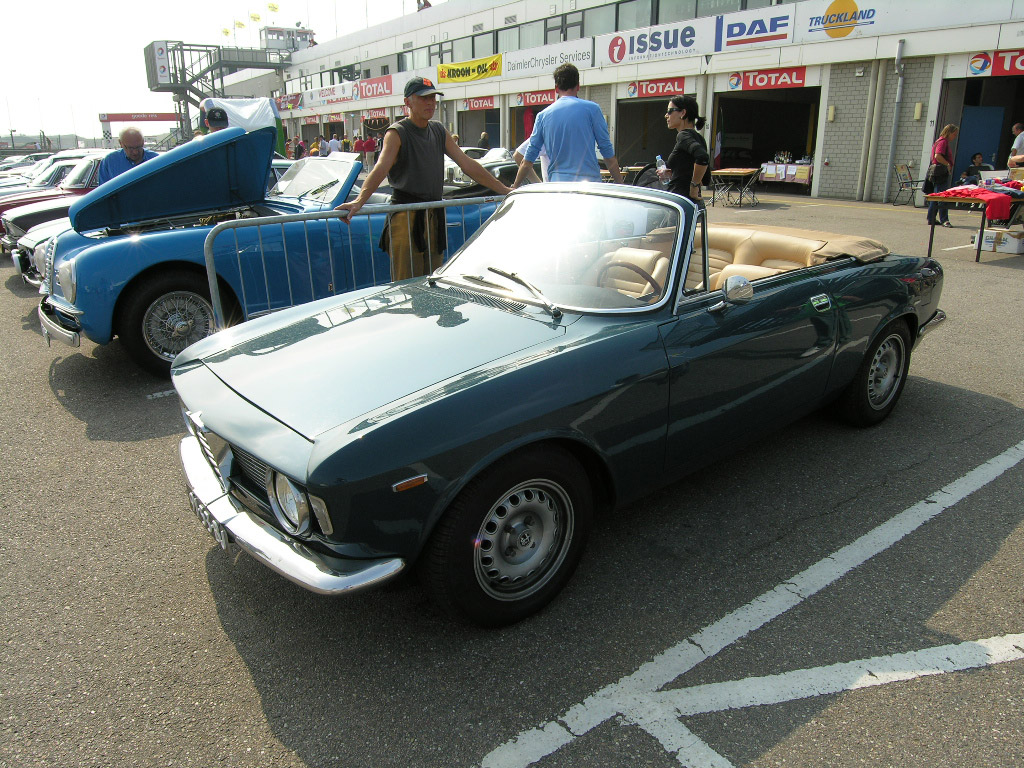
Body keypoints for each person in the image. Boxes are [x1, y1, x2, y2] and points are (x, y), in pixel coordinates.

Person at [335, 76, 511, 281]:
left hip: (433, 216)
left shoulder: (438, 130)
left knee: (432, 281)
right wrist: (359, 201)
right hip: (406, 217)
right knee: (407, 283)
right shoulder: (397, 132)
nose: (430, 103)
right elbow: (381, 168)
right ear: (408, 102)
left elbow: (467, 164)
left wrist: (504, 189)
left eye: (433, 98)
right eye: (424, 98)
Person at [513, 63, 623, 187]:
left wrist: (514, 186)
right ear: (578, 86)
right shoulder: (593, 110)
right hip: (590, 187)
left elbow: (527, 161)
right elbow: (608, 154)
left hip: (559, 188)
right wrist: (621, 185)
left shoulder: (543, 116)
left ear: (556, 88)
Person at [657, 94, 710, 207]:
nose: (666, 115)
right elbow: (705, 177)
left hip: (681, 203)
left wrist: (693, 186)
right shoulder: (699, 138)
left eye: (670, 111)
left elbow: (702, 157)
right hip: (692, 203)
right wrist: (675, 172)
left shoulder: (683, 136)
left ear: (683, 113)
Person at [926, 124, 958, 228]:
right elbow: (938, 155)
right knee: (942, 196)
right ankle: (944, 219)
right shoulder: (943, 142)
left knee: (935, 195)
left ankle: (931, 218)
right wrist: (947, 164)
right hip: (940, 171)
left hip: (936, 171)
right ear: (949, 133)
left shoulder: (938, 141)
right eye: (954, 134)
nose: (955, 136)